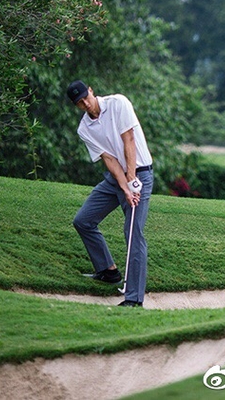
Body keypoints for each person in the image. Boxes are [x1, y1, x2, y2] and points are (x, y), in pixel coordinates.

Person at [66, 80, 153, 308]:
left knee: (133, 233)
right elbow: (109, 159)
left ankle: (134, 299)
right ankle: (108, 271)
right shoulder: (84, 129)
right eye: (79, 102)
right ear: (76, 106)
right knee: (83, 221)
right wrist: (123, 186)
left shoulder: (118, 103)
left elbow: (129, 140)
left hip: (140, 174)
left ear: (92, 91)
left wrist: (132, 182)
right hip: (115, 179)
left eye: (86, 97)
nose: (85, 103)